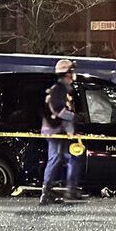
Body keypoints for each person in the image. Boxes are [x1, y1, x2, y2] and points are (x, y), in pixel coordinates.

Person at [39, 60, 79, 205]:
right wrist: (74, 117)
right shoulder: (58, 89)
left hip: (60, 131)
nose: (73, 75)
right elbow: (58, 110)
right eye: (71, 72)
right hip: (54, 131)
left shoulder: (65, 89)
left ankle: (70, 190)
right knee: (56, 158)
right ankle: (46, 192)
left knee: (70, 158)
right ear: (66, 74)